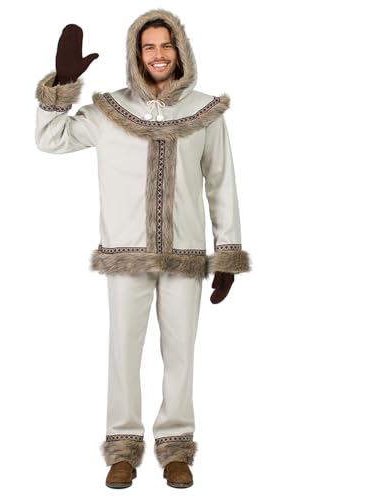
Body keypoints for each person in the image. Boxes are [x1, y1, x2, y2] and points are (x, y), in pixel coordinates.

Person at [34, 8, 251, 489]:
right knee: (123, 353)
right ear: (137, 53)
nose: (158, 54)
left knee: (181, 355)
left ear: (180, 52)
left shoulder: (205, 112)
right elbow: (49, 139)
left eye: (166, 45)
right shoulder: (108, 111)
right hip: (125, 254)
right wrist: (62, 87)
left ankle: (176, 448)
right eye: (149, 46)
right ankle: (123, 449)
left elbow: (221, 183)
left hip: (184, 256)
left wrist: (227, 253)